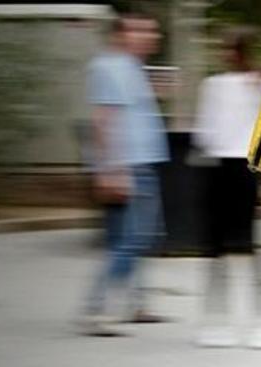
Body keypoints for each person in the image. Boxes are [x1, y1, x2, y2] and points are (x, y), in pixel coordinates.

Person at [192, 28, 261, 350]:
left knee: (223, 249)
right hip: (243, 170)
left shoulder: (219, 86)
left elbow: (203, 135)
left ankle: (221, 323)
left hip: (224, 169)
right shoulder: (259, 84)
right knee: (247, 248)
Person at [77, 12, 169, 337]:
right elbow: (103, 120)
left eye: (152, 31)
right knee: (133, 240)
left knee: (129, 240)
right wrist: (111, 171)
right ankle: (97, 309)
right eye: (141, 31)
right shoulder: (109, 66)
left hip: (139, 164)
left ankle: (136, 304)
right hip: (129, 167)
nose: (150, 37)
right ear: (120, 34)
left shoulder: (132, 67)